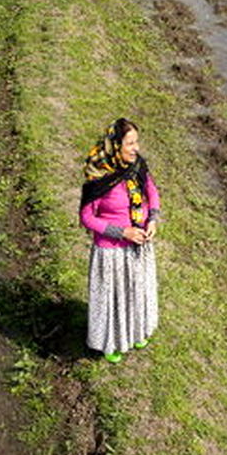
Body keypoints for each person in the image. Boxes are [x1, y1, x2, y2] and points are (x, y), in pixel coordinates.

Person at [79, 117, 160, 363]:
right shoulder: (99, 178)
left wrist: (153, 219)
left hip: (139, 246)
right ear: (116, 146)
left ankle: (136, 332)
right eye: (130, 143)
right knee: (114, 299)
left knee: (137, 292)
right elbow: (86, 218)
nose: (136, 148)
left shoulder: (137, 166)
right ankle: (111, 343)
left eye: (137, 142)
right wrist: (122, 232)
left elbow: (152, 191)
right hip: (111, 252)